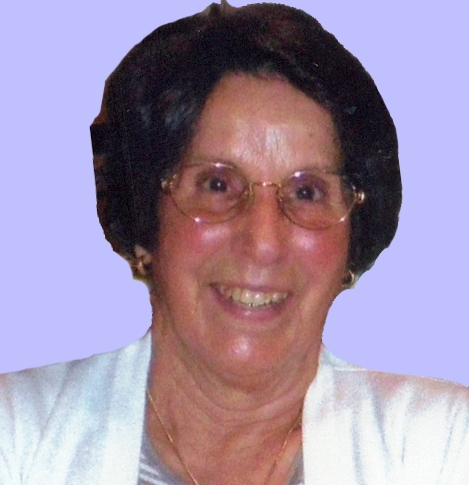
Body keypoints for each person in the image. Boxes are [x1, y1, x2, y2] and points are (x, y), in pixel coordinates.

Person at [1, 2, 468, 484]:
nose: (263, 242)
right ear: (145, 222)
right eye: (217, 185)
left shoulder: (443, 446)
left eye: (307, 192)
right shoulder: (16, 433)